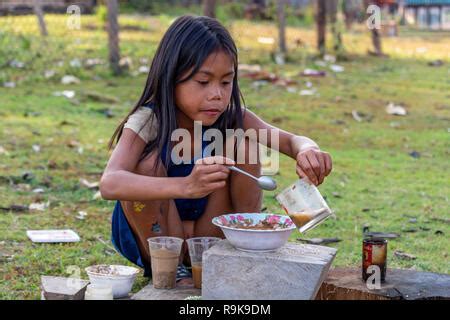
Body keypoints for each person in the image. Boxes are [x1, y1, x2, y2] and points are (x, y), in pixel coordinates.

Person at [100, 15, 332, 286]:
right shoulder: (150, 121)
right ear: (171, 78)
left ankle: (244, 251)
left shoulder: (233, 117)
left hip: (210, 232)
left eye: (225, 82)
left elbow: (292, 142)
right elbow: (110, 183)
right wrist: (186, 186)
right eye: (203, 82)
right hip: (158, 237)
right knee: (147, 165)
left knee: (244, 145)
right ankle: (174, 270)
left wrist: (309, 150)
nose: (217, 95)